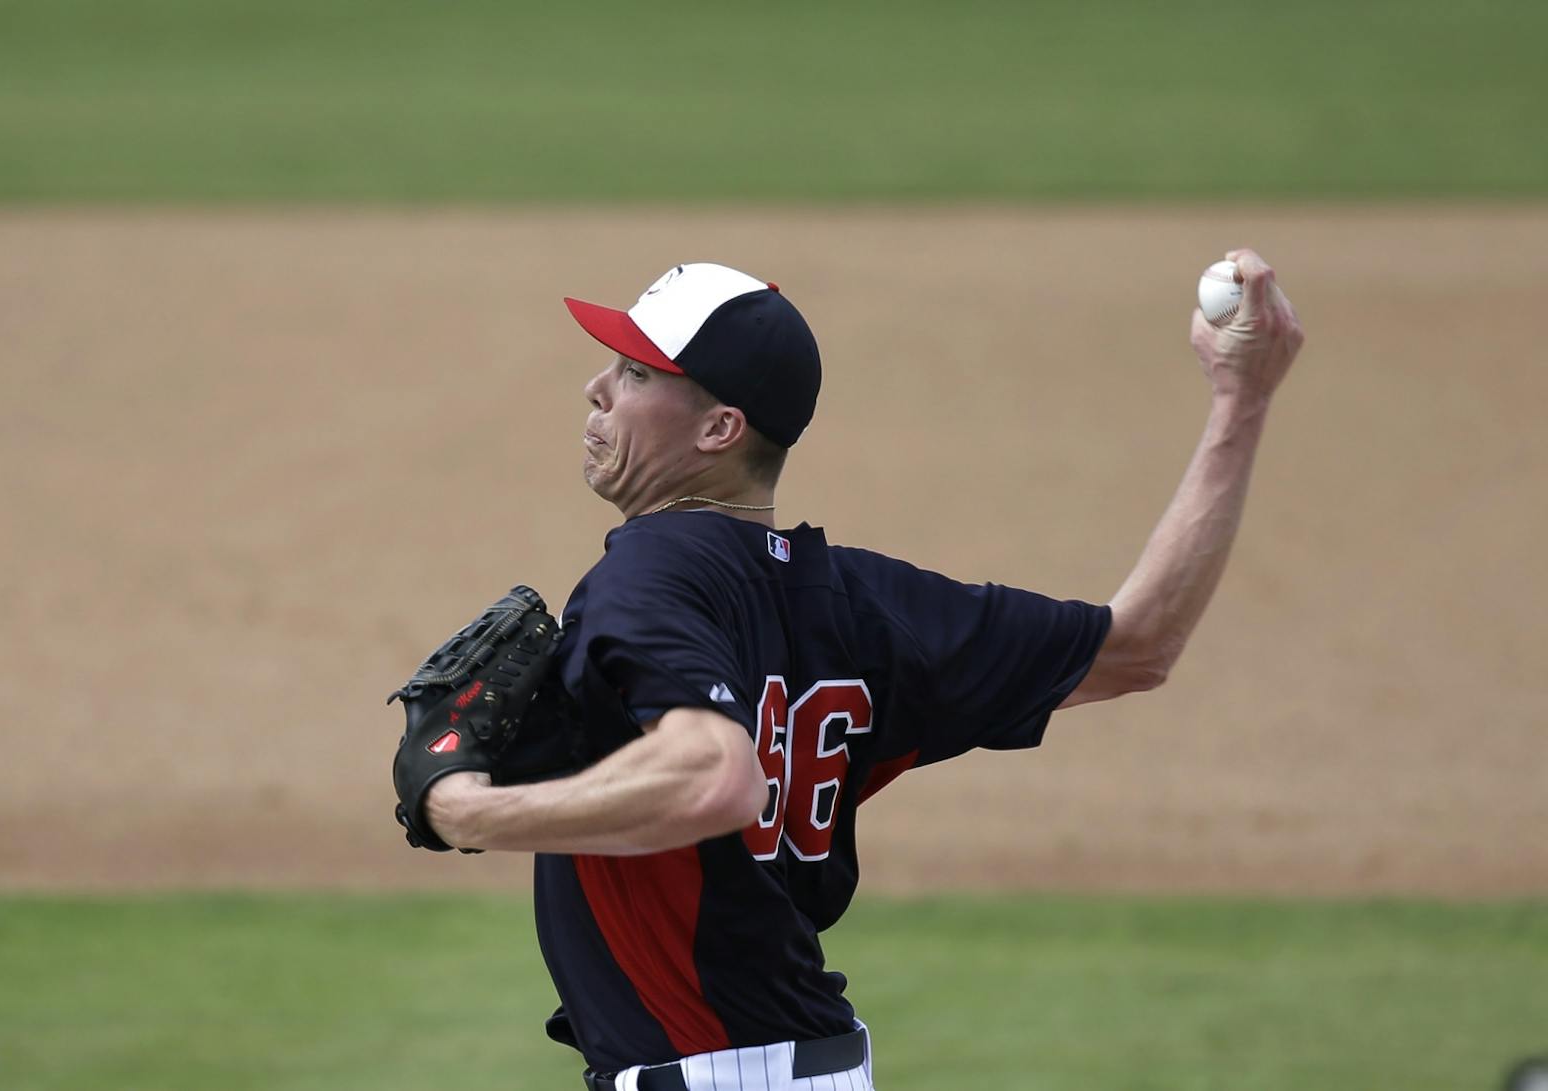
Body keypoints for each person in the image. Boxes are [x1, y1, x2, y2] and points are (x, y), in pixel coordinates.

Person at [419, 256, 1306, 1090]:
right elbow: (1138, 646)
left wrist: (468, 813)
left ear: (720, 427)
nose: (599, 386)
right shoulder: (862, 603)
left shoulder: (648, 572)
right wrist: (1242, 398)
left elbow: (715, 776)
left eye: (638, 374)